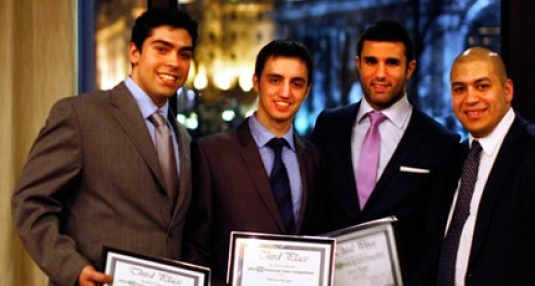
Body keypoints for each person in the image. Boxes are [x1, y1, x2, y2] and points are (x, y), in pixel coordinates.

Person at [11, 8, 198, 286]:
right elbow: (30, 203)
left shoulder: (183, 138)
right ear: (134, 53)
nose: (174, 62)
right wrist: (72, 269)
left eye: (184, 54)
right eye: (162, 49)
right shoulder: (79, 115)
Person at [311, 20, 463, 283]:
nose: (380, 74)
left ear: (409, 68)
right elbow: (314, 212)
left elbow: (437, 241)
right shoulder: (329, 126)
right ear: (358, 64)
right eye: (371, 62)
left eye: (392, 63)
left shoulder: (440, 143)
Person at [435, 46, 535, 286]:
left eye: (482, 86)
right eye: (460, 89)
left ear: (507, 90)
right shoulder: (451, 160)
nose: (470, 98)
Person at [183, 39, 325, 285]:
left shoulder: (314, 158)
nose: (285, 92)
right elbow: (196, 247)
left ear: (307, 90)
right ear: (256, 82)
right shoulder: (211, 153)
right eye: (275, 80)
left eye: (296, 83)